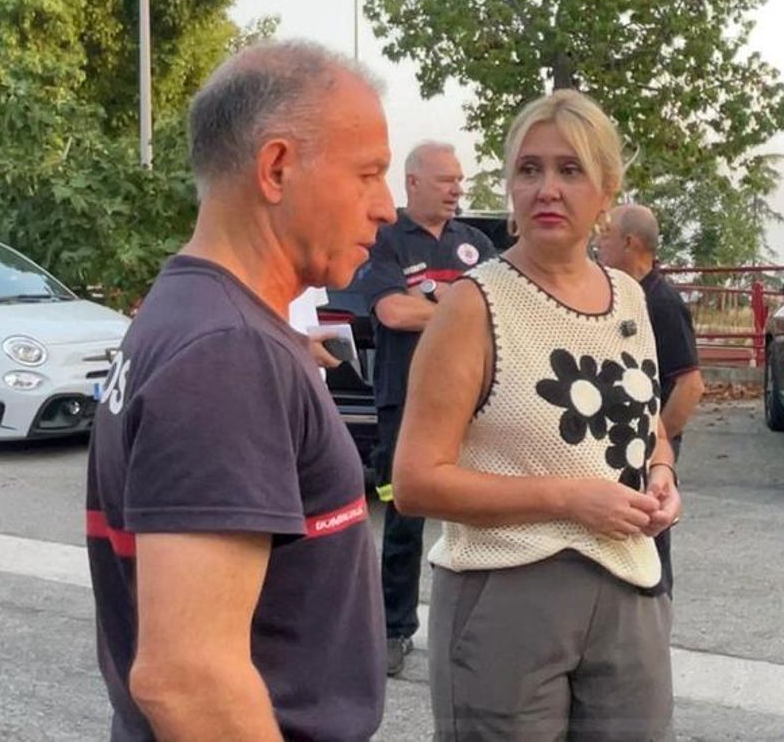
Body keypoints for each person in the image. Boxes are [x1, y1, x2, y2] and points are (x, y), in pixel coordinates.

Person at [85, 40, 394, 740]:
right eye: (369, 173)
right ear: (277, 168)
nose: (386, 206)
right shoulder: (227, 352)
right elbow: (187, 678)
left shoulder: (191, 314)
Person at [393, 89, 681, 740]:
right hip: (507, 593)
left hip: (630, 585)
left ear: (607, 190)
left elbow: (645, 422)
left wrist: (662, 470)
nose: (547, 188)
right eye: (530, 169)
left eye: (570, 169)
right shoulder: (474, 306)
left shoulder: (630, 297)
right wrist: (569, 498)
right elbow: (415, 483)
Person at [349, 140, 497, 677]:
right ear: (413, 183)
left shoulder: (475, 244)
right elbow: (392, 311)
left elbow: (501, 309)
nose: (458, 189)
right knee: (405, 517)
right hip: (405, 399)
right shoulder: (386, 240)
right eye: (446, 180)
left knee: (483, 513)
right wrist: (460, 311)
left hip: (475, 399)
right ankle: (394, 630)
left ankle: (481, 631)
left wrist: (432, 305)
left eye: (459, 179)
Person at [592, 203, 703, 597]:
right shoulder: (621, 296)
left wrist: (655, 446)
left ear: (629, 242)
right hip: (622, 448)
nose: (597, 245)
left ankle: (655, 610)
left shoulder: (661, 302)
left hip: (648, 450)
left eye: (604, 236)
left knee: (649, 539)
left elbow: (690, 385)